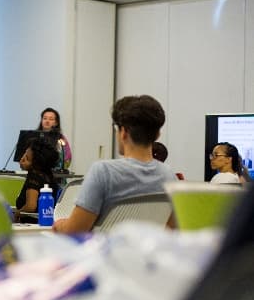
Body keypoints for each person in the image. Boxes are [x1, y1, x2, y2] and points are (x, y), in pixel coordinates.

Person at [53, 95, 176, 234]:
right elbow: (171, 230)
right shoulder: (169, 176)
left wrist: (60, 224)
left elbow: (74, 231)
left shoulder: (103, 172)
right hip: (143, 254)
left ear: (123, 132)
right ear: (158, 134)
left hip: (102, 254)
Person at [16, 137, 60, 215]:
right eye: (24, 154)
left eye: (27, 159)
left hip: (29, 223)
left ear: (37, 165)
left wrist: (17, 214)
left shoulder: (34, 177)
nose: (22, 159)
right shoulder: (49, 176)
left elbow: (31, 206)